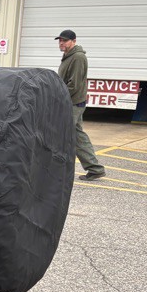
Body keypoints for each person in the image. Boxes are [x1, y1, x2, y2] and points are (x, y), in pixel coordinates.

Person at [56, 29, 106, 181]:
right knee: (77, 135)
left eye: (64, 40)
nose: (61, 43)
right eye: (60, 40)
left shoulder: (77, 57)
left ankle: (60, 169)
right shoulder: (68, 56)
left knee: (66, 135)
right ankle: (95, 168)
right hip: (70, 101)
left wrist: (59, 97)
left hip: (73, 102)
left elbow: (74, 84)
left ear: (74, 41)